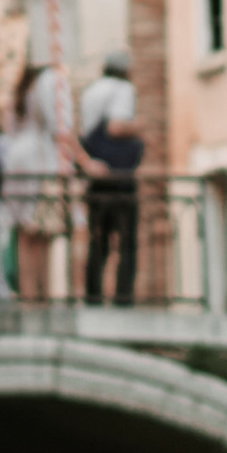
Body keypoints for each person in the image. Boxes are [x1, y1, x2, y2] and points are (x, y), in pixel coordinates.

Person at [2, 54, 77, 304]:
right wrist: (83, 161)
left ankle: (30, 295)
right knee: (39, 232)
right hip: (39, 162)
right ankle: (37, 296)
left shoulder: (24, 88)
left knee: (27, 232)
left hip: (18, 160)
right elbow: (60, 127)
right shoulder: (50, 81)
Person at [77, 48, 143, 307]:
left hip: (97, 177)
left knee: (98, 239)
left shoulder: (91, 91)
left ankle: (93, 295)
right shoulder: (122, 89)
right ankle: (123, 297)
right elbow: (116, 126)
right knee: (126, 240)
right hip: (118, 176)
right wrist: (139, 126)